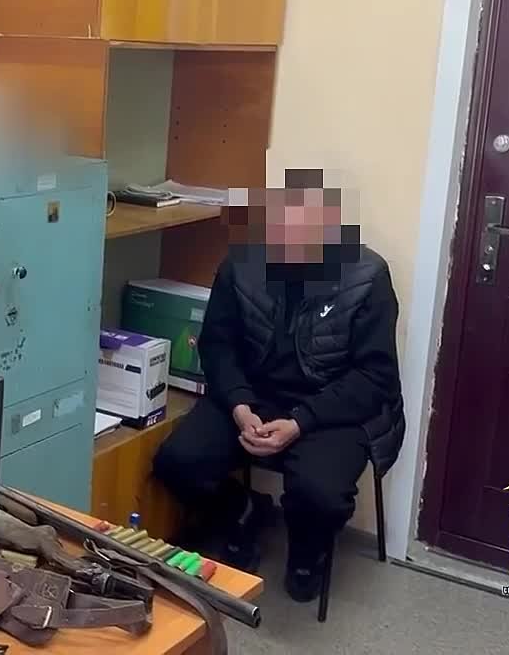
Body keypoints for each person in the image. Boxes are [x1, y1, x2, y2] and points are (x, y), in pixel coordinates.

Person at [153, 179, 404, 603]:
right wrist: (239, 404)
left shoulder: (367, 277)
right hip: (254, 396)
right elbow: (217, 346)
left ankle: (306, 552)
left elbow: (374, 377)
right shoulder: (241, 266)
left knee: (320, 495)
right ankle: (241, 511)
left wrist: (301, 421)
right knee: (177, 461)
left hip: (331, 408)